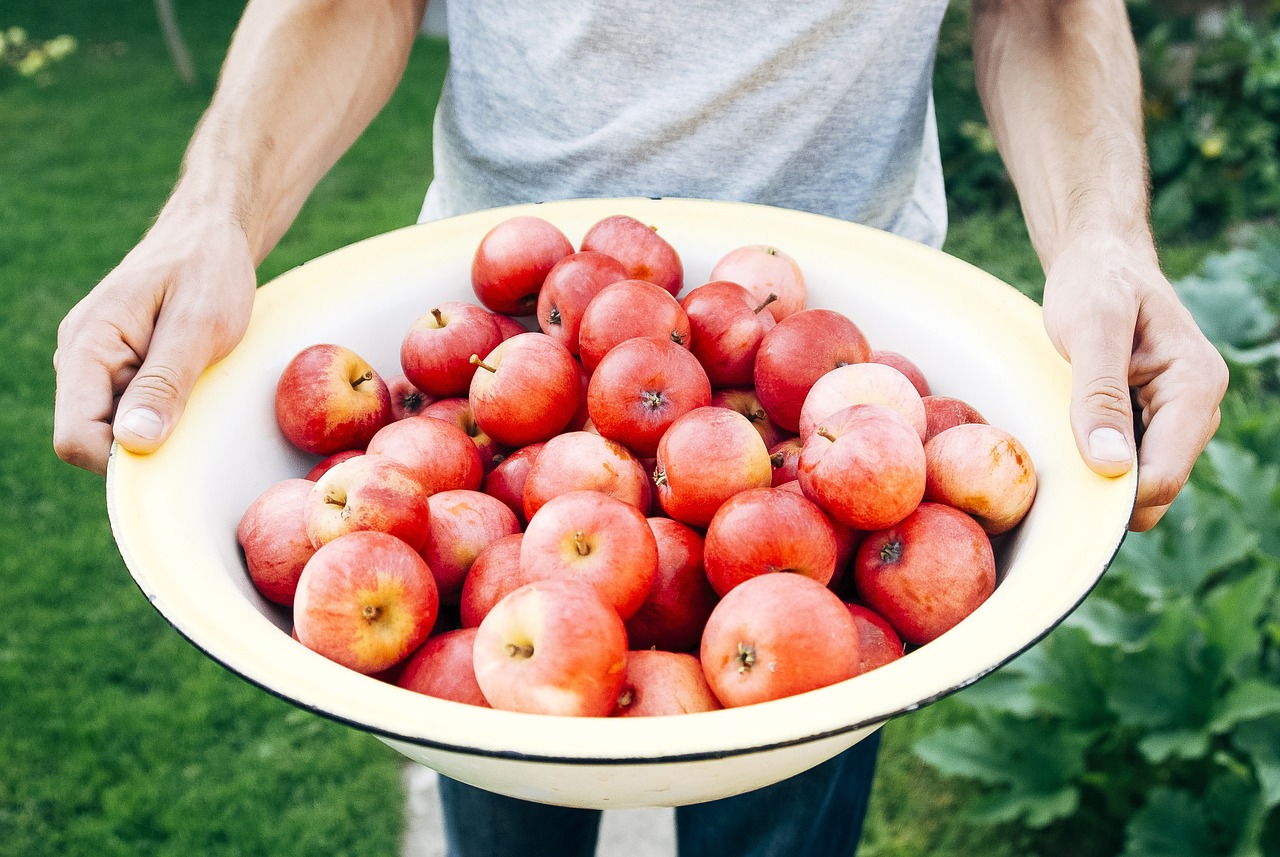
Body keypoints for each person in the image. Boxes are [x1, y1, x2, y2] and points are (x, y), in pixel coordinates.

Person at [52, 1, 1228, 855]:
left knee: (783, 786)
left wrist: (1102, 236)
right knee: (496, 743)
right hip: (497, 337)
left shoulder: (845, 461)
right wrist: (213, 211)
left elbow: (1047, 9)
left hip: (840, 351)